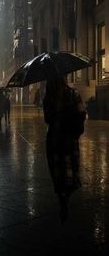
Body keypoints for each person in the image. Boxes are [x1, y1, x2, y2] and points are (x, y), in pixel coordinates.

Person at [43, 76, 86, 222]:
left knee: (56, 168)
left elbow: (47, 119)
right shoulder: (74, 94)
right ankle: (66, 195)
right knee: (70, 166)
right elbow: (81, 113)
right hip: (69, 139)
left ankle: (60, 194)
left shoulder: (48, 97)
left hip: (54, 139)